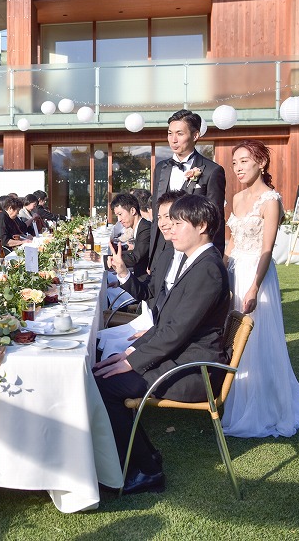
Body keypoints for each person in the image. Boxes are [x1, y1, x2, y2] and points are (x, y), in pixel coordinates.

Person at [93, 194, 230, 494]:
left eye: (179, 223)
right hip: (180, 357)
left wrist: (130, 361)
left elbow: (175, 333)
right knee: (102, 371)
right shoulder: (195, 262)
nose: (170, 229)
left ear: (202, 226)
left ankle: (148, 470)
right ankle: (140, 455)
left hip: (194, 369)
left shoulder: (207, 269)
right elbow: (165, 323)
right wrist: (129, 352)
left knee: (104, 385)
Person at [223, 140, 299, 438]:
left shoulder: (271, 200)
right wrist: (219, 272)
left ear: (261, 163)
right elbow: (232, 241)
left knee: (257, 340)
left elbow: (267, 250)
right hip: (234, 271)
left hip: (258, 275)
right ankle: (233, 398)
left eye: (244, 161)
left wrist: (253, 287)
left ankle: (265, 406)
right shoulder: (236, 198)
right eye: (235, 162)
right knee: (233, 339)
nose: (238, 168)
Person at [98, 190, 186, 359]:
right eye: (159, 218)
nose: (163, 224)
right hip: (153, 320)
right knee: (100, 341)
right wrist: (123, 273)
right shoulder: (168, 255)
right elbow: (149, 292)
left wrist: (153, 333)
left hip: (167, 348)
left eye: (168, 217)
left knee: (105, 347)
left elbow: (182, 324)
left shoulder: (202, 266)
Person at [148, 109, 226, 271]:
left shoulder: (212, 171)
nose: (173, 140)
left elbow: (216, 221)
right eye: (170, 133)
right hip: (161, 252)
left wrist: (214, 261)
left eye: (179, 134)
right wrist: (152, 258)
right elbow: (157, 217)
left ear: (195, 135)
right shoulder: (161, 168)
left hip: (193, 252)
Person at [107, 193, 150, 279]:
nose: (119, 220)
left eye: (120, 214)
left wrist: (104, 259)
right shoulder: (139, 227)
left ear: (133, 211)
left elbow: (135, 257)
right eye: (117, 216)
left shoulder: (145, 228)